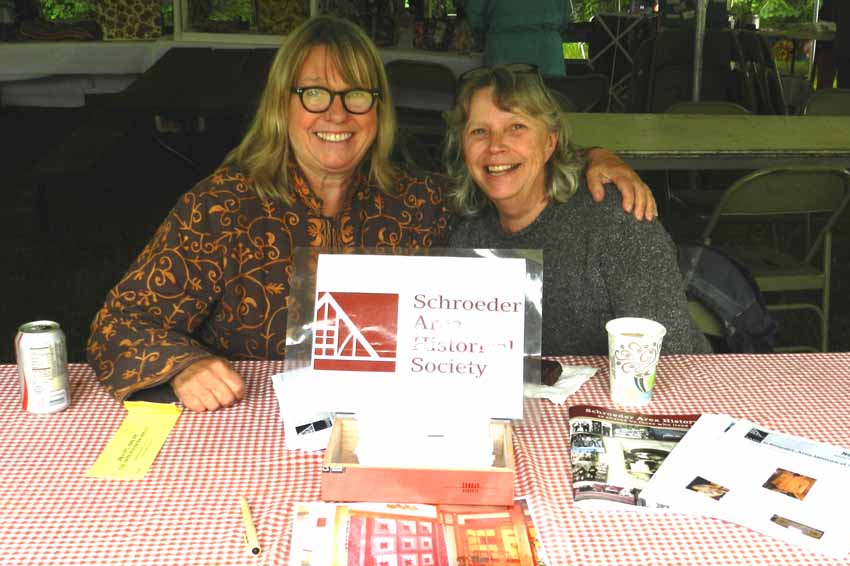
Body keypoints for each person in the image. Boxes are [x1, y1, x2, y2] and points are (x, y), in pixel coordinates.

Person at [87, 16, 657, 412]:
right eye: (314, 93)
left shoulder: (416, 201)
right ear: (282, 105)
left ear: (377, 110)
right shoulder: (224, 206)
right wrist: (183, 365)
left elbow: (506, 169)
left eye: (356, 95)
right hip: (253, 432)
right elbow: (120, 323)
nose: (337, 113)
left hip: (394, 430)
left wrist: (591, 158)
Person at [444, 64, 711, 356]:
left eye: (516, 127)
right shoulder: (467, 238)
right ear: (463, 148)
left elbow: (672, 353)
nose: (496, 146)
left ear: (549, 142)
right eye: (479, 131)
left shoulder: (614, 220)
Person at [466, 0, 570, 76]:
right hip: (547, 49)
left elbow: (475, 17)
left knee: (503, 94)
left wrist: (483, 40)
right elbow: (564, 16)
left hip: (501, 47)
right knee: (550, 94)